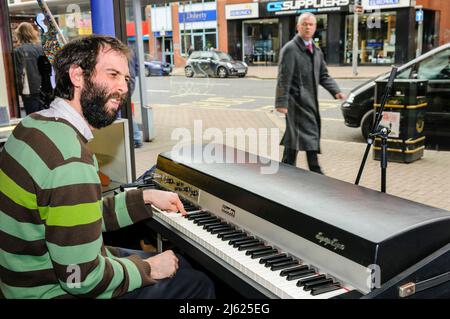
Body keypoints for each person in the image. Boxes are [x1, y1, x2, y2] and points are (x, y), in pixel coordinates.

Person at [0, 35, 215, 299]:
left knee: (181, 268)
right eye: (112, 74)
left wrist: (143, 198)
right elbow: (80, 279)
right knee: (196, 284)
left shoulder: (32, 125)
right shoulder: (71, 161)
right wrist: (148, 268)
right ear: (78, 76)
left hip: (22, 279)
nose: (123, 88)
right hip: (50, 290)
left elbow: (74, 219)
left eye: (125, 78)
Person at [275, 12, 345, 174]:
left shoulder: (316, 50)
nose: (307, 27)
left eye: (311, 24)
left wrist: (336, 91)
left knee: (295, 140)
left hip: (310, 103)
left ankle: (286, 169)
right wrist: (281, 103)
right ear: (298, 26)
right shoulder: (290, 49)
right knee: (304, 137)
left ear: (314, 27)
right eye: (304, 24)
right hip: (295, 103)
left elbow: (323, 75)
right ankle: (315, 170)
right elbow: (283, 78)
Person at [13, 22, 45, 115]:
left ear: (19, 35)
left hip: (29, 90)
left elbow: (19, 73)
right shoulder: (41, 48)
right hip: (44, 88)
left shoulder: (18, 51)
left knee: (33, 118)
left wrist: (18, 90)